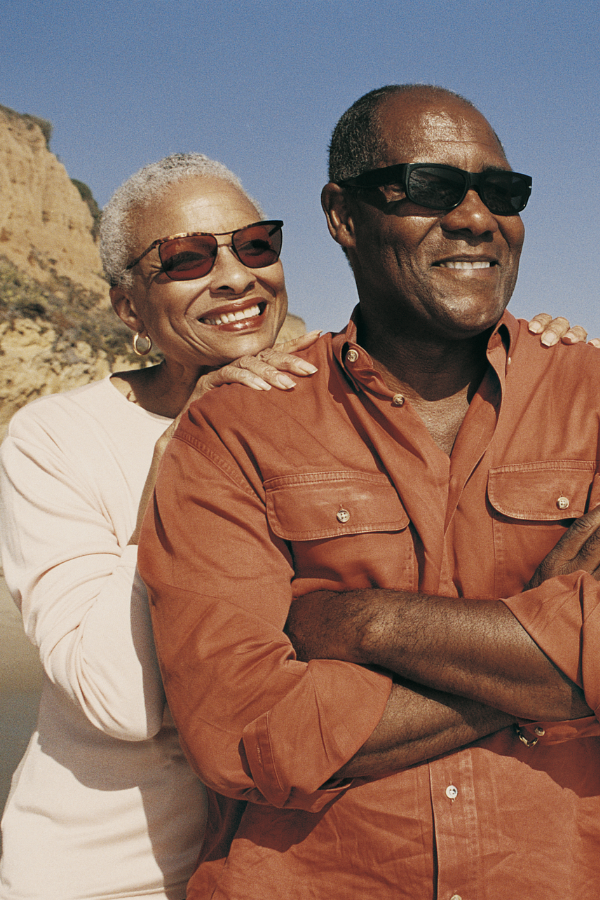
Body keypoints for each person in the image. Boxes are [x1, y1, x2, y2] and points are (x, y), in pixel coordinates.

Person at [140, 86, 600, 899]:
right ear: (342, 215)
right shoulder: (234, 431)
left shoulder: (591, 398)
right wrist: (549, 658)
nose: (474, 217)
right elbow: (246, 730)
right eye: (428, 187)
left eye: (503, 193)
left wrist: (364, 622)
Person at [0, 152, 320, 900]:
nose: (237, 274)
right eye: (186, 258)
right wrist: (189, 451)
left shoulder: (328, 413)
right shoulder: (55, 438)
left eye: (256, 245)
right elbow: (118, 699)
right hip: (105, 877)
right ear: (128, 309)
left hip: (282, 870)